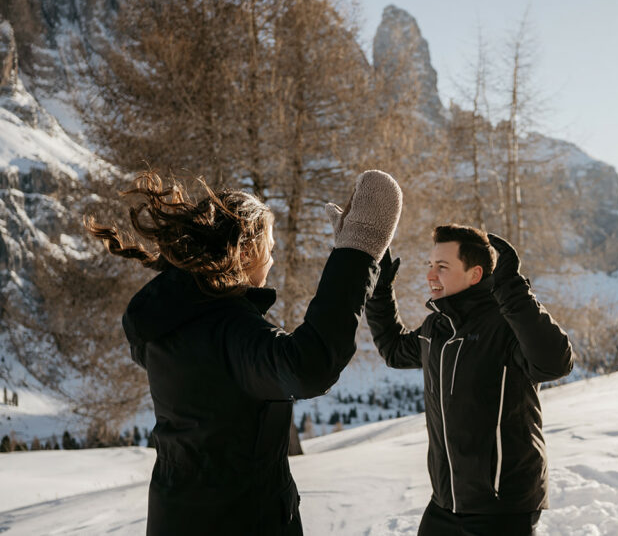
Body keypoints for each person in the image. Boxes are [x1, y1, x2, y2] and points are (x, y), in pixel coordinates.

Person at [86, 169, 402, 536]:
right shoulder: (228, 327)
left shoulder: (171, 325)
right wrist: (357, 252)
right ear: (247, 250)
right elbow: (308, 365)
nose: (272, 257)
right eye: (270, 246)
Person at [367, 224, 574, 536]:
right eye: (430, 265)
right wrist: (380, 289)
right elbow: (395, 350)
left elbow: (555, 363)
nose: (430, 275)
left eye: (442, 266)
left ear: (475, 274)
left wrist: (512, 289)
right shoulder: (436, 328)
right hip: (446, 502)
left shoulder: (506, 325)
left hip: (502, 508)